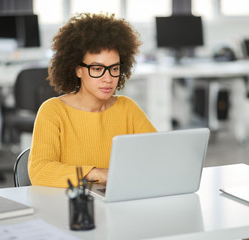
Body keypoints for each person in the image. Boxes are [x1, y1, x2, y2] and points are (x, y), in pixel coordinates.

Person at [28, 13, 157, 188]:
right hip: (72, 206)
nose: (108, 78)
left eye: (114, 68)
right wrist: (95, 173)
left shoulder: (127, 108)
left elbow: (157, 155)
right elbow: (39, 171)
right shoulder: (53, 111)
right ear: (78, 70)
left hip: (119, 202)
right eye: (97, 69)